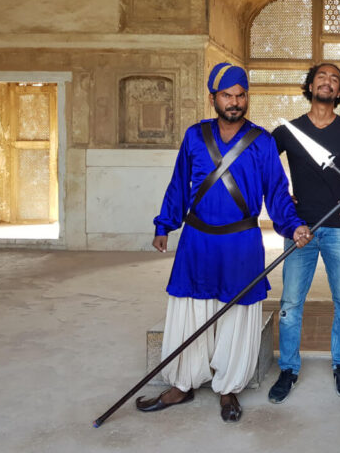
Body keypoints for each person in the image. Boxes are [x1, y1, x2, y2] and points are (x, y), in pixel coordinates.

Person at [137, 62, 312, 423]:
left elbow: (278, 193)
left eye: (240, 95)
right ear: (213, 97)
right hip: (197, 239)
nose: (234, 102)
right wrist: (164, 225)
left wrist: (292, 226)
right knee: (189, 311)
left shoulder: (262, 142)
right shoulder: (194, 136)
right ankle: (182, 384)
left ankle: (229, 388)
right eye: (227, 95)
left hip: (241, 242)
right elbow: (179, 183)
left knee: (236, 313)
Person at [268, 63, 340, 402]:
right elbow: (266, 171)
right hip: (301, 229)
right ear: (310, 85)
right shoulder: (288, 131)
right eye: (321, 77)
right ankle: (288, 369)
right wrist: (283, 199)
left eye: (334, 80)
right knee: (290, 303)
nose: (327, 83)